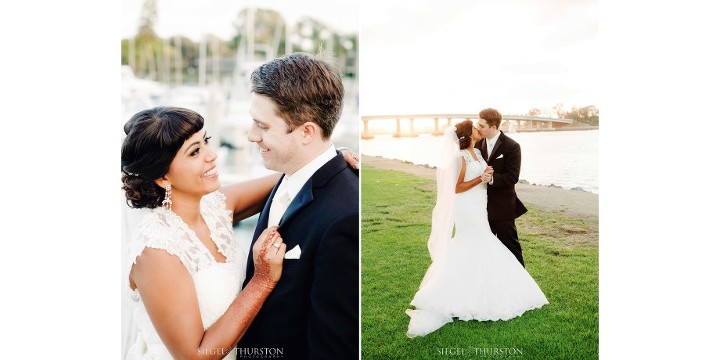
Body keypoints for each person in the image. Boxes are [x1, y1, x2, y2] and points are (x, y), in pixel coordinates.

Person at [120, 107, 359, 359]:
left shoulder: (216, 206)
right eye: (195, 152)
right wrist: (262, 280)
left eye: (206, 142)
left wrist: (331, 159)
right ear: (162, 177)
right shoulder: (156, 250)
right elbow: (196, 355)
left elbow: (295, 176)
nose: (211, 156)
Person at [236, 53, 359, 359]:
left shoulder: (345, 216)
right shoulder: (289, 172)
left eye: (262, 126)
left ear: (306, 132)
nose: (252, 136)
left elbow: (332, 346)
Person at [405, 120, 548, 338]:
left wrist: (488, 174)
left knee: (484, 242)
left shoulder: (478, 153)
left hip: (480, 205)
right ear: (467, 134)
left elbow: (485, 174)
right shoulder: (459, 156)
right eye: (474, 128)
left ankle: (491, 288)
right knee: (474, 241)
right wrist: (479, 179)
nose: (478, 130)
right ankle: (461, 292)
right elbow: (456, 187)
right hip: (467, 207)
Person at [474, 108, 528, 266]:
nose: (478, 128)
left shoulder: (512, 146)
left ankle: (521, 282)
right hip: (481, 206)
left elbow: (513, 177)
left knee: (511, 247)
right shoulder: (478, 144)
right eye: (478, 124)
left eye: (482, 125)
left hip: (503, 207)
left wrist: (492, 178)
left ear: (493, 127)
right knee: (486, 248)